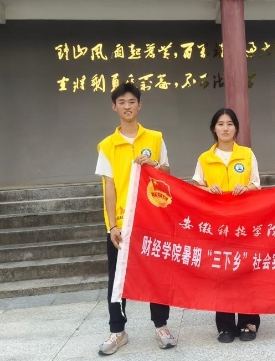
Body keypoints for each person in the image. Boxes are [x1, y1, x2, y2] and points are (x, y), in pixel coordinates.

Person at [95, 81, 177, 355]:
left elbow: (167, 173)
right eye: (122, 102)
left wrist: (155, 165)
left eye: (132, 102)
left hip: (152, 218)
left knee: (157, 274)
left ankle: (161, 325)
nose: (127, 106)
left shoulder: (155, 138)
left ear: (139, 105)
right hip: (122, 222)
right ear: (114, 107)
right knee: (117, 277)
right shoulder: (107, 145)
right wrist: (112, 226)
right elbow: (108, 188)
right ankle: (117, 330)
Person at [192, 108, 261, 343]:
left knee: (246, 271)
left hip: (244, 224)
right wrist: (207, 189)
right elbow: (195, 188)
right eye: (220, 124)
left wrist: (246, 187)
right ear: (214, 128)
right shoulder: (205, 158)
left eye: (230, 124)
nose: (225, 128)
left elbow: (257, 184)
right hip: (217, 225)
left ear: (236, 128)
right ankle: (225, 326)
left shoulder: (247, 154)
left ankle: (249, 322)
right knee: (221, 273)